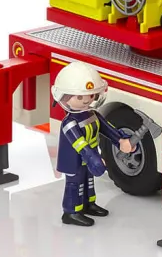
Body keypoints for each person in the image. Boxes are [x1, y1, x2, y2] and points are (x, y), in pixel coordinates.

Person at [52, 61, 137, 226]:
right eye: (79, 97)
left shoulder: (92, 114)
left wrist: (121, 140)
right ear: (64, 97)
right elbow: (81, 144)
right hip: (74, 161)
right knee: (75, 185)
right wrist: (94, 159)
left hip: (89, 159)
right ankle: (71, 212)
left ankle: (88, 204)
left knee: (88, 182)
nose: (86, 100)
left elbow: (107, 129)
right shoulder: (69, 124)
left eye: (90, 96)